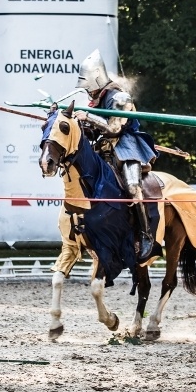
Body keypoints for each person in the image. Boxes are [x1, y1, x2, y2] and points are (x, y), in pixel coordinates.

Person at [74, 48, 161, 264]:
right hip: (104, 147)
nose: (87, 93)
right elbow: (98, 132)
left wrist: (89, 118)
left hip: (126, 146)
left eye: (88, 88)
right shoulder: (97, 100)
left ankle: (145, 234)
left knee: (132, 186)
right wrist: (80, 124)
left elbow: (114, 128)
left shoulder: (120, 97)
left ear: (95, 80)